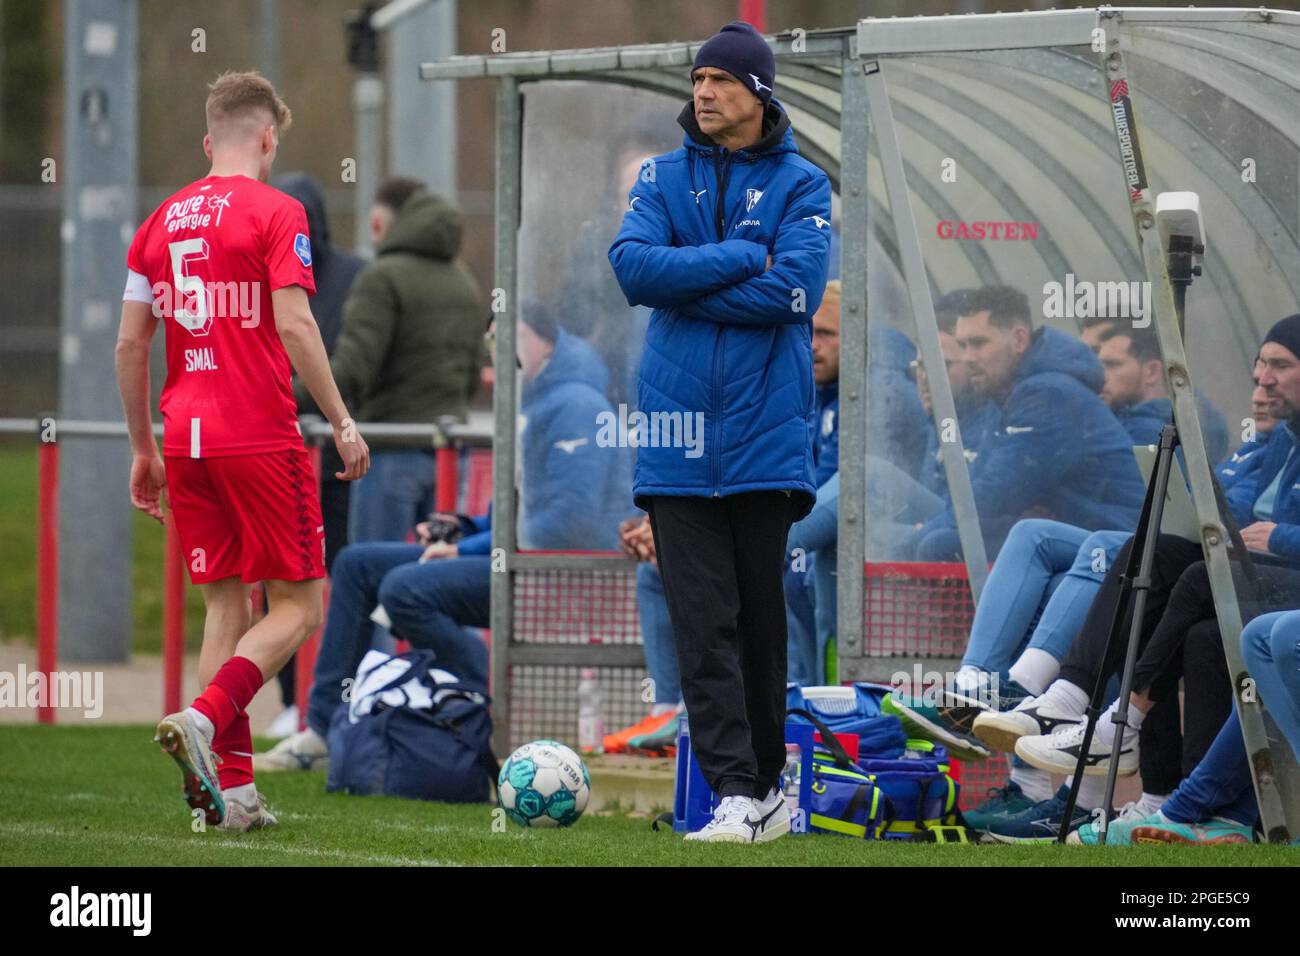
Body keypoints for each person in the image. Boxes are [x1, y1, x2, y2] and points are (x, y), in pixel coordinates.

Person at [116, 71, 370, 831]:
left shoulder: (158, 221)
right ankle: (205, 715)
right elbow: (296, 325)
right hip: (258, 432)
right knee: (300, 605)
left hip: (184, 437)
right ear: (267, 137)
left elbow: (131, 344)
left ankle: (230, 800)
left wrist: (142, 448)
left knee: (227, 604)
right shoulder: (278, 209)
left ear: (207, 140)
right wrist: (344, 422)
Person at [607, 20, 832, 843]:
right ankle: (734, 790)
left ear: (759, 94)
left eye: (723, 81)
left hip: (765, 436)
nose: (703, 93)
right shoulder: (661, 177)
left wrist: (687, 281)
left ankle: (770, 790)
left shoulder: (805, 185)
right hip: (674, 439)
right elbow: (634, 270)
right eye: (698, 79)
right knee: (701, 621)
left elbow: (794, 295)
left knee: (759, 622)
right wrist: (742, 257)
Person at [258, 307, 630, 769]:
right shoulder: (535, 399)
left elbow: (567, 523)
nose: (496, 352)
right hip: (508, 555)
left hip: (553, 571)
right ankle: (321, 730)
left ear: (545, 343)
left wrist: (467, 549)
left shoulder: (574, 404)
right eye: (491, 341)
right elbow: (520, 511)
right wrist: (466, 527)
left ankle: (489, 707)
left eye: (507, 338)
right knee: (357, 565)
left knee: (402, 590)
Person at [975, 316, 1300, 840]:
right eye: (1259, 365)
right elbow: (1230, 509)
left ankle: (1101, 718)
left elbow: (1257, 523)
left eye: (1279, 366)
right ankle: (1177, 801)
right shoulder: (1279, 441)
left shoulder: (1273, 438)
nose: (1262, 381)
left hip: (1283, 583)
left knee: (1168, 569)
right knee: (1182, 610)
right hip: (1254, 578)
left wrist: (1280, 536)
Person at [304, 181, 485, 544]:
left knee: (367, 573)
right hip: (448, 455)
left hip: (389, 448)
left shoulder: (381, 277)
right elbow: (473, 374)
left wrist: (280, 397)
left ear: (378, 223)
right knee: (433, 576)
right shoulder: (464, 281)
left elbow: (352, 370)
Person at [910, 286, 1147, 561]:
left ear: (1019, 340)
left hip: (1118, 543)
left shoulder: (1047, 394)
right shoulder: (1008, 392)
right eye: (963, 345)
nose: (967, 358)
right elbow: (983, 486)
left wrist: (906, 547)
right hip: (1075, 529)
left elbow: (993, 495)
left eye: (978, 343)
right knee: (940, 539)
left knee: (939, 545)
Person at [267, 171, 366, 739]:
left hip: (335, 455)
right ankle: (288, 697)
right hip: (278, 447)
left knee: (335, 579)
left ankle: (332, 699)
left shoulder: (353, 276)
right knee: (275, 582)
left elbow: (348, 363)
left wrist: (334, 416)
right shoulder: (262, 271)